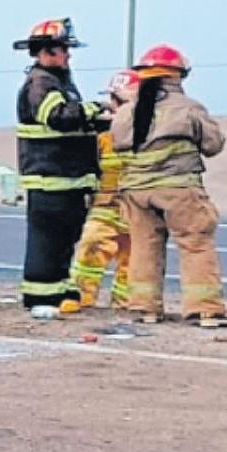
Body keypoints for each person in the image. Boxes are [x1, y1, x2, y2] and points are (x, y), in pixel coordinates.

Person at [111, 44, 227, 327]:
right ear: (178, 75)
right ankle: (205, 309)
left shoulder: (128, 111)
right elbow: (213, 145)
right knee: (195, 244)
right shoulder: (188, 108)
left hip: (137, 191)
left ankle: (144, 308)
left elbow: (117, 142)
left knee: (144, 248)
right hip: (179, 190)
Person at [12, 18, 104, 319]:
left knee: (64, 239)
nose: (68, 55)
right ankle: (40, 298)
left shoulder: (60, 81)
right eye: (64, 49)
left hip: (68, 179)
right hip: (50, 179)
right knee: (48, 241)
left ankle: (59, 291)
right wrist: (92, 109)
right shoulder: (41, 82)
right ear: (47, 51)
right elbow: (57, 117)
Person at [66, 70, 137, 312]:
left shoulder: (151, 133)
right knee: (90, 252)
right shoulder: (102, 134)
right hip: (105, 206)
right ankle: (81, 298)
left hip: (139, 210)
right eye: (113, 100)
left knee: (135, 263)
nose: (113, 105)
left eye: (118, 100)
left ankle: (126, 305)